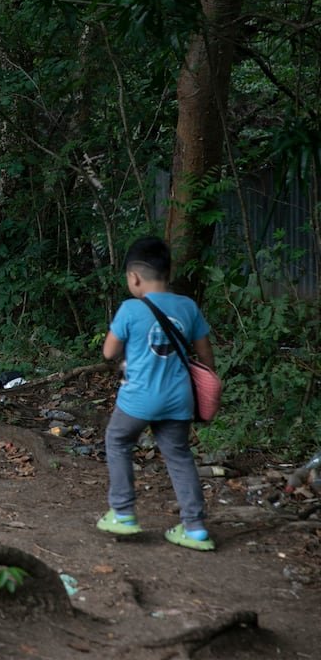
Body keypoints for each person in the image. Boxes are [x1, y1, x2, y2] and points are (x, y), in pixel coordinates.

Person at [97, 236, 217, 551]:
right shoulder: (187, 307)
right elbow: (206, 357)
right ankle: (195, 528)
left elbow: (109, 352)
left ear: (134, 277)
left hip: (139, 398)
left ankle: (123, 512)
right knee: (179, 456)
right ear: (168, 271)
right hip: (179, 398)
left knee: (118, 440)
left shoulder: (130, 309)